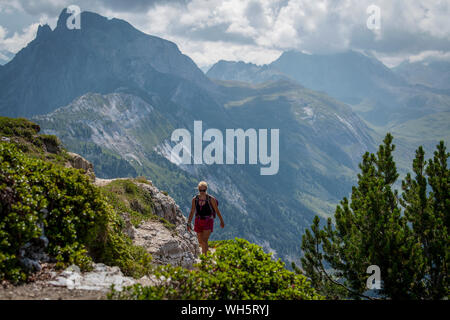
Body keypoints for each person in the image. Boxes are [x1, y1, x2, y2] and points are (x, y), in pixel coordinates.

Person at [187, 181, 225, 255]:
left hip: (208, 221)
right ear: (198, 190)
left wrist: (221, 221)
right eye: (200, 190)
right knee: (200, 241)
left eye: (203, 190)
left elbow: (217, 210)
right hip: (198, 221)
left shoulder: (211, 199)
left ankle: (204, 259)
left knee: (204, 240)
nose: (202, 192)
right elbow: (192, 211)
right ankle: (207, 252)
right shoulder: (195, 199)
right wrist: (188, 223)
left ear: (206, 190)